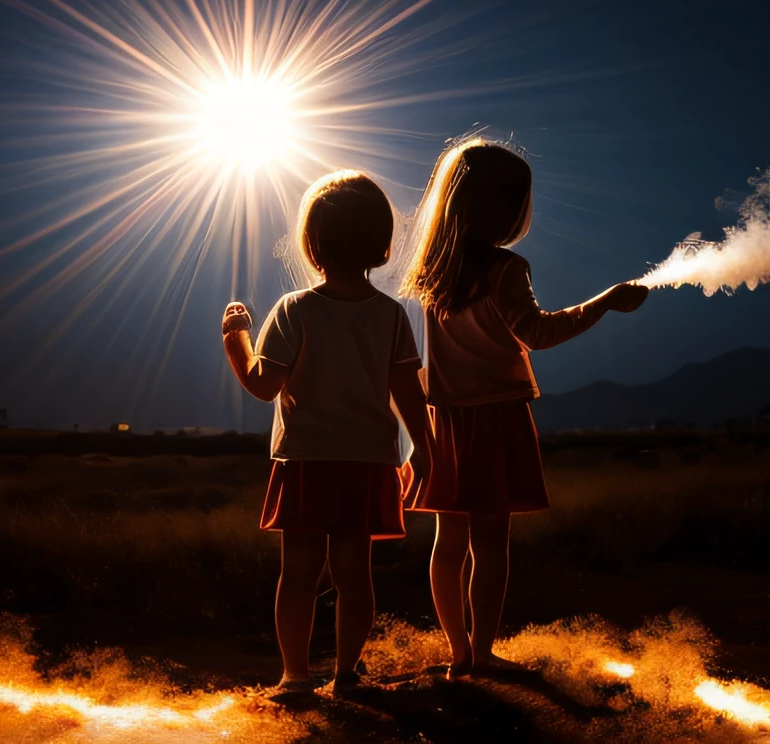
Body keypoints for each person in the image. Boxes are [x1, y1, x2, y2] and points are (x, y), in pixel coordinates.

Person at [401, 139, 648, 677]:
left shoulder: (433, 269)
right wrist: (605, 302)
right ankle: (483, 655)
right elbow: (535, 333)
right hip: (496, 420)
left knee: (449, 543)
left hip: (445, 419)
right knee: (491, 544)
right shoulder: (506, 268)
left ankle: (458, 653)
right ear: (504, 207)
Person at [222, 170, 435, 697]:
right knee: (354, 577)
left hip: (305, 464)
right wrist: (425, 454)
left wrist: (236, 339)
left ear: (312, 245)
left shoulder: (294, 310)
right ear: (382, 245)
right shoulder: (389, 316)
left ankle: (294, 677)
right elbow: (410, 394)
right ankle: (345, 675)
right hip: (366, 465)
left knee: (298, 576)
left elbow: (262, 386)